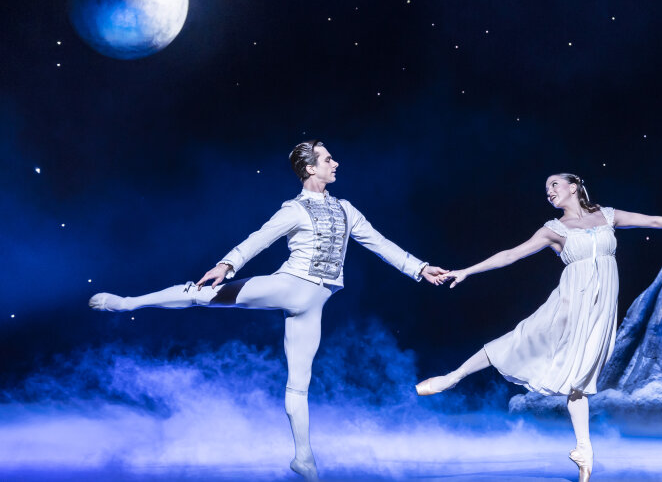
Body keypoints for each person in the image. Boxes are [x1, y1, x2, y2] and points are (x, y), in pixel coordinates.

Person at [89, 140, 448, 482]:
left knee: (299, 384)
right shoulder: (295, 209)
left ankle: (304, 458)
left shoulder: (346, 209)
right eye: (327, 160)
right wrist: (227, 265)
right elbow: (259, 238)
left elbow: (379, 242)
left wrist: (419, 268)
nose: (335, 163)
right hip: (289, 285)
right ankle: (128, 303)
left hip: (316, 303)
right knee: (202, 294)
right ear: (309, 168)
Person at [416, 173, 662, 482]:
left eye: (554, 185)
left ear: (573, 187)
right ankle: (451, 378)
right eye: (546, 189)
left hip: (599, 312)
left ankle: (583, 452)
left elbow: (652, 222)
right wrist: (468, 271)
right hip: (567, 305)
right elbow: (511, 254)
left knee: (581, 378)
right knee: (519, 340)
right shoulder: (555, 230)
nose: (549, 192)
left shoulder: (607, 216)